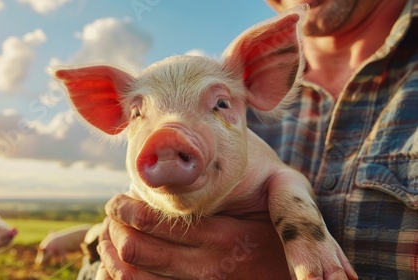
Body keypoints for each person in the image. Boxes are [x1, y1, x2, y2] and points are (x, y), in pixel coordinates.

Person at [96, 0, 418, 279]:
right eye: (139, 112)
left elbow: (281, 179)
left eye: (219, 104)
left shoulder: (239, 100)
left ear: (262, 76)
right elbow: (123, 250)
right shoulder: (233, 103)